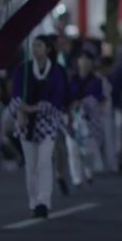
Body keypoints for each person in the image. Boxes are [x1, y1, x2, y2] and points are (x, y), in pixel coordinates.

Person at [9, 36, 68, 218]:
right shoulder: (23, 69)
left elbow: (58, 97)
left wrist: (35, 107)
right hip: (26, 121)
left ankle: (44, 201)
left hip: (47, 121)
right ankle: (33, 201)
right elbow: (15, 93)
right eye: (33, 45)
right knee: (31, 164)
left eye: (39, 45)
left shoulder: (57, 71)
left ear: (48, 49)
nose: (35, 49)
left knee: (44, 161)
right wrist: (22, 111)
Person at [66, 52, 105, 187]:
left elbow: (100, 99)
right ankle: (76, 177)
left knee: (88, 150)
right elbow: (65, 97)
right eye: (82, 59)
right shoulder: (71, 79)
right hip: (72, 116)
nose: (84, 62)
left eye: (88, 59)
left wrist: (87, 104)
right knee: (72, 147)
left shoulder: (96, 80)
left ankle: (88, 171)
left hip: (89, 119)